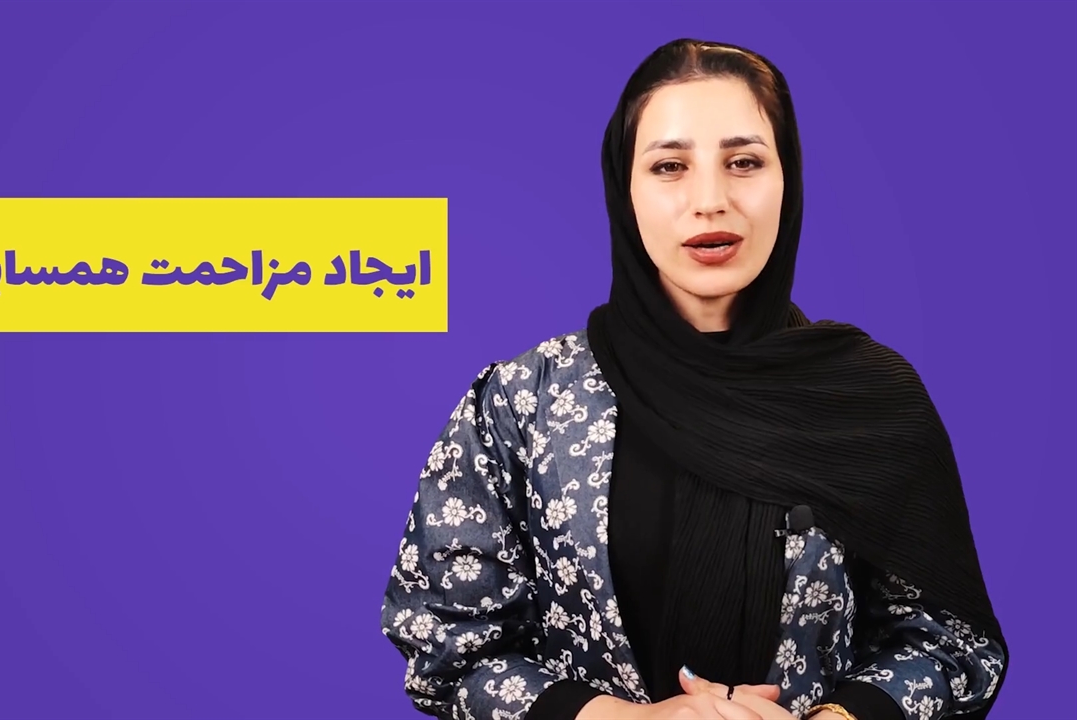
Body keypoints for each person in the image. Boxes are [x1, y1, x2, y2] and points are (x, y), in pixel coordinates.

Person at [380, 38, 1007, 720]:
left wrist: (834, 719)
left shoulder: (869, 397)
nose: (710, 201)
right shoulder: (521, 403)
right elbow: (450, 648)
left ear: (789, 180)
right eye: (670, 166)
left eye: (744, 162)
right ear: (624, 190)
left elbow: (950, 643)